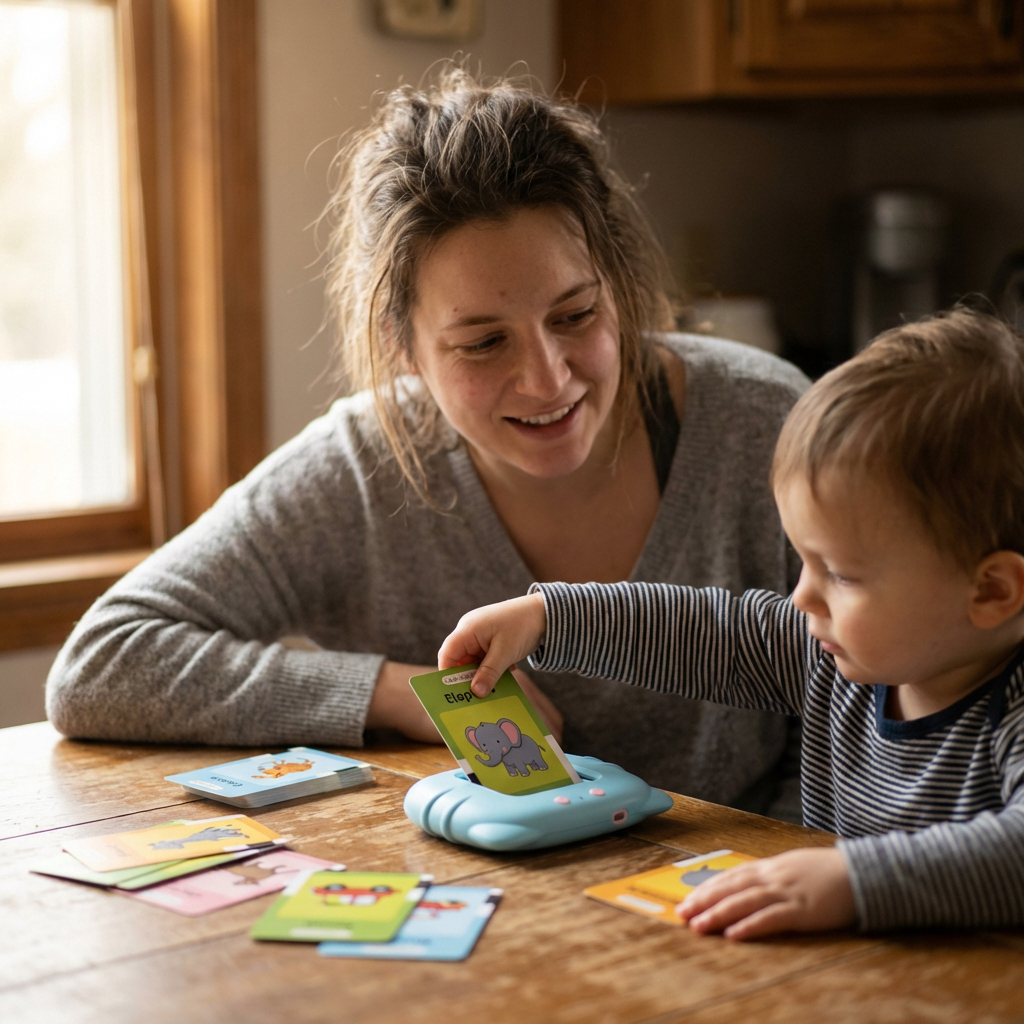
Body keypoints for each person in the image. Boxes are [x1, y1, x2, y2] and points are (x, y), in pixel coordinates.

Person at [45, 66, 808, 819]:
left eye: (575, 316)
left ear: (617, 282)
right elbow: (102, 663)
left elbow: (889, 709)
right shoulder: (361, 467)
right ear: (403, 346)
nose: (547, 381)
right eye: (482, 344)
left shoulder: (762, 423)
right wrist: (395, 692)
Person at [439, 308, 1024, 937]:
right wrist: (550, 617)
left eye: (843, 575)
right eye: (804, 561)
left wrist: (853, 881)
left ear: (991, 591)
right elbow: (705, 631)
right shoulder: (829, 653)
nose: (802, 597)